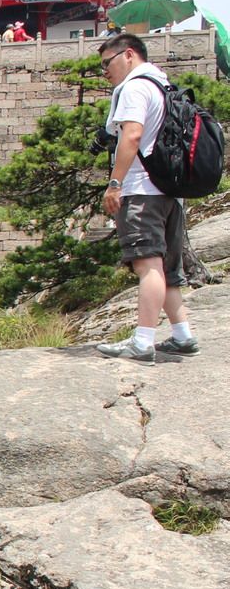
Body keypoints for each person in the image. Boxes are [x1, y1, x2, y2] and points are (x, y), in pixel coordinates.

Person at [95, 33, 197, 362]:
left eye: (107, 63)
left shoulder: (135, 87)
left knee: (147, 264)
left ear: (128, 55)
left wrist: (115, 183)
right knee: (166, 266)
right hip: (170, 191)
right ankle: (182, 335)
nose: (105, 71)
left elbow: (133, 134)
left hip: (142, 191)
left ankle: (142, 341)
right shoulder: (163, 86)